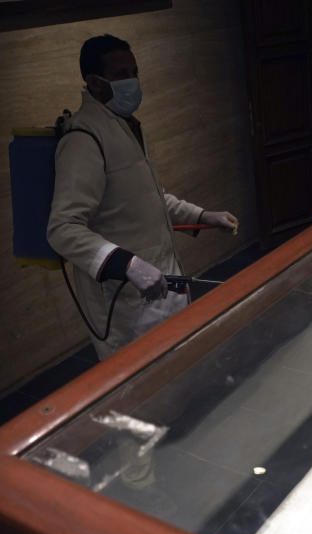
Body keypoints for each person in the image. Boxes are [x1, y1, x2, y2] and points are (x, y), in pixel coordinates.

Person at [48, 34, 238, 360]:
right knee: (146, 385)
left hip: (165, 280)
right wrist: (128, 265)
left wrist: (202, 216)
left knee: (179, 366)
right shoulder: (84, 139)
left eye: (134, 71)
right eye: (121, 74)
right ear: (94, 83)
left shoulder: (127, 126)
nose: (132, 82)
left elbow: (150, 199)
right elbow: (62, 229)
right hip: (127, 300)